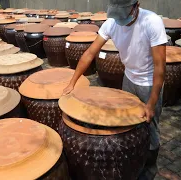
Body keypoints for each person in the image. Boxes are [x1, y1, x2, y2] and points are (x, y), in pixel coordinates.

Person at [63, 0, 167, 179]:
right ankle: (132, 160)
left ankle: (149, 169)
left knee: (150, 127)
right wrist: (72, 82)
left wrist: (151, 102)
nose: (120, 19)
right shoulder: (111, 23)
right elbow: (89, 53)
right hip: (129, 78)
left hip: (149, 83)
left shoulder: (152, 22)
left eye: (124, 13)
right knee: (127, 124)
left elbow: (160, 67)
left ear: (136, 6)